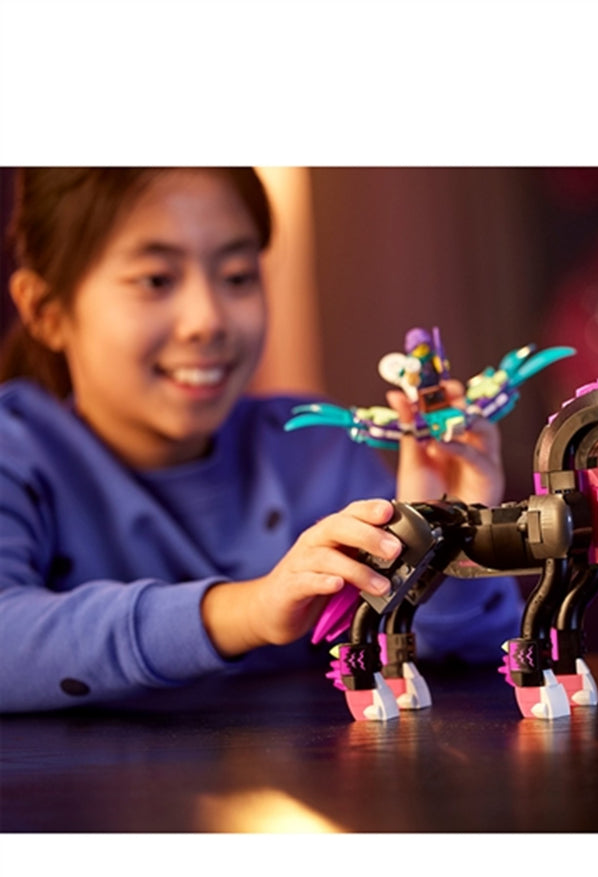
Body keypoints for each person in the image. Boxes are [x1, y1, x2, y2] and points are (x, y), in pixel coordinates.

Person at [0, 167, 522, 712]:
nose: (208, 320)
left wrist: (440, 538)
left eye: (237, 277)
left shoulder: (316, 450)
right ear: (46, 311)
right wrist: (248, 611)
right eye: (156, 280)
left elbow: (469, 664)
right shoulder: (16, 452)